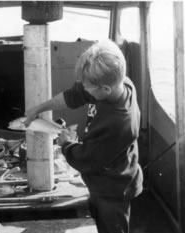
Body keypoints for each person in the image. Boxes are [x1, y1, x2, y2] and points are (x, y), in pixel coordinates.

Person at [25, 40, 143, 233]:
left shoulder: (119, 122)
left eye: (88, 88)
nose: (85, 90)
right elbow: (75, 95)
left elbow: (86, 158)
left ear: (105, 89)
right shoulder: (122, 83)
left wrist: (66, 143)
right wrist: (39, 108)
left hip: (113, 190)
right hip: (106, 176)